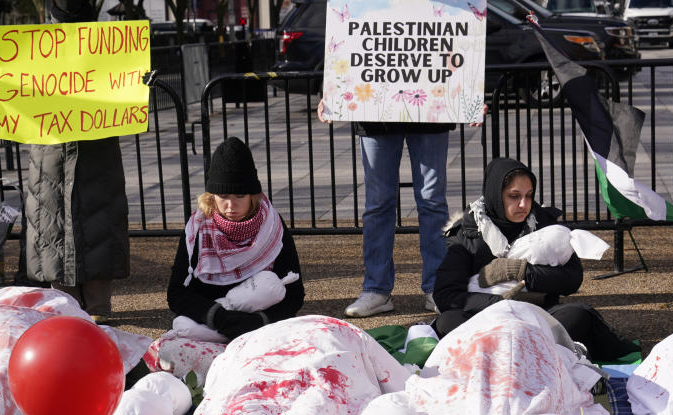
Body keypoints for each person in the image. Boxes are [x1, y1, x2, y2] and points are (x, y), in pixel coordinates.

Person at [432, 157, 636, 361]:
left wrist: (521, 271)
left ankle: (513, 353)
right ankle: (523, 354)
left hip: (539, 317)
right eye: (514, 196)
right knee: (448, 321)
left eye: (529, 196)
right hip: (485, 318)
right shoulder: (467, 232)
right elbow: (446, 294)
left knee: (578, 315)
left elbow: (572, 278)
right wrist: (501, 303)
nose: (523, 204)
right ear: (496, 194)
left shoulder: (542, 222)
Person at [23, 0, 130, 322]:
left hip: (89, 150)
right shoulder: (34, 49)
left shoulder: (108, 49)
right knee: (54, 226)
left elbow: (123, 88)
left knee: (96, 223)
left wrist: (140, 82)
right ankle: (65, 307)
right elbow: (20, 91)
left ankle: (97, 309)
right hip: (53, 154)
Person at [316, 102, 455, 317]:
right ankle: (378, 289)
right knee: (382, 204)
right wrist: (331, 92)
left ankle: (435, 287)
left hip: (425, 108)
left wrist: (471, 92)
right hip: (380, 111)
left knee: (430, 202)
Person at [166, 137, 304, 341]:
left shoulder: (272, 226)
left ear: (252, 196)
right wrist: (216, 316)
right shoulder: (198, 229)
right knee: (179, 335)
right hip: (213, 322)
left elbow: (294, 294)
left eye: (239, 196)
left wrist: (259, 321)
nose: (231, 206)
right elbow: (176, 293)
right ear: (211, 197)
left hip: (259, 323)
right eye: (223, 196)